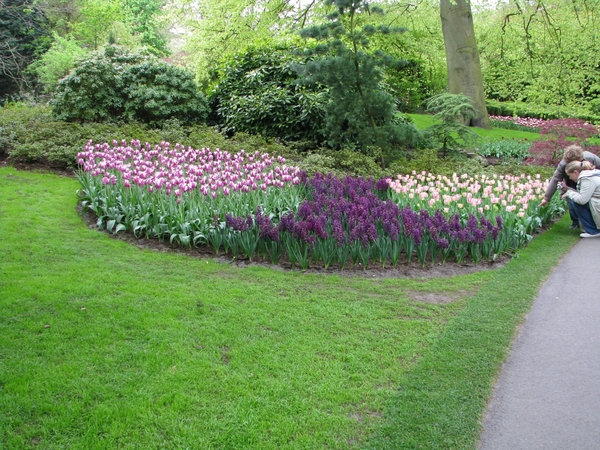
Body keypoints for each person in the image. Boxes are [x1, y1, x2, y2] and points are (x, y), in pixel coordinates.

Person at [540, 145, 600, 229]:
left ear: (580, 160)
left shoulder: (590, 159)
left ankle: (591, 225)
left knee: (586, 200)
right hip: (571, 180)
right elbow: (556, 179)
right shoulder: (563, 164)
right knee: (570, 197)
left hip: (591, 182)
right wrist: (547, 198)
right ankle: (576, 222)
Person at [562, 160, 600, 238]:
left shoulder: (587, 179)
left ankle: (593, 231)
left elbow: (582, 200)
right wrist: (568, 190)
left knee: (576, 202)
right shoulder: (591, 175)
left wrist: (569, 193)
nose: (570, 178)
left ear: (575, 172)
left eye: (570, 175)